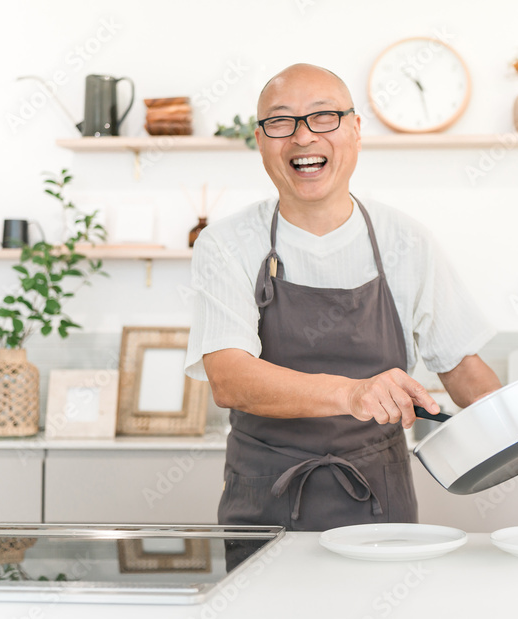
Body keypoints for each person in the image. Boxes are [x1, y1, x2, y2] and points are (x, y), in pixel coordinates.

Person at [185, 63, 501, 568]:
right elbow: (229, 377)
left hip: (379, 503)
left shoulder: (407, 241)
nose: (302, 137)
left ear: (355, 130)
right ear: (260, 139)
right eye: (281, 122)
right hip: (265, 504)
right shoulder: (226, 244)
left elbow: (460, 364)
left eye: (324, 117)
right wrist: (350, 392)